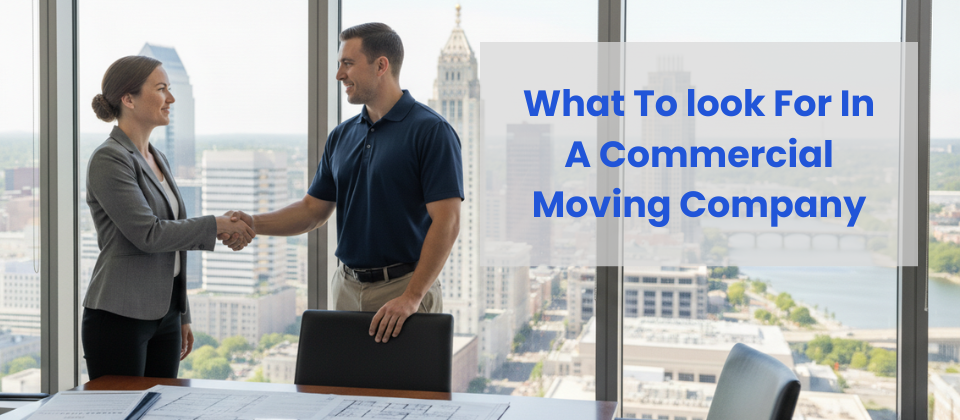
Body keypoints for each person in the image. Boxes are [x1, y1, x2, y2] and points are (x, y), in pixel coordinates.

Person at [221, 22, 462, 344]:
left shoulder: (431, 131)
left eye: (347, 64)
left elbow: (447, 221)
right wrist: (253, 223)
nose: (339, 75)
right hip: (346, 287)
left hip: (404, 291)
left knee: (406, 393)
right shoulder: (342, 135)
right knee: (344, 389)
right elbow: (312, 210)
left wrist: (413, 296)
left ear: (381, 65)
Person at [83, 55, 255, 380]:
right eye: (162, 89)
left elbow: (173, 246)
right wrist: (216, 224)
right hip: (120, 315)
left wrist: (182, 313)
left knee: (161, 410)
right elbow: (150, 235)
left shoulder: (157, 157)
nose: (171, 99)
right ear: (128, 99)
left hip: (166, 316)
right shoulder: (110, 159)